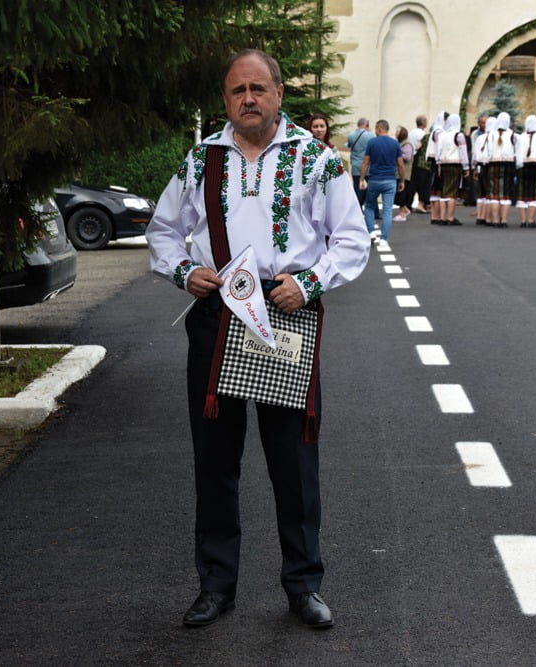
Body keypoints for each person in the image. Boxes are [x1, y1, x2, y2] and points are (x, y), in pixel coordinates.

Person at [145, 48, 370, 630]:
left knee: (292, 461)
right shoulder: (201, 159)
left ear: (278, 94)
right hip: (217, 314)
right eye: (237, 91)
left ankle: (303, 585)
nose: (248, 99)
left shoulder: (316, 160)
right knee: (215, 459)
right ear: (226, 99)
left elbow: (352, 238)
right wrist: (182, 271)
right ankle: (216, 585)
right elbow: (163, 230)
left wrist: (311, 283)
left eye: (258, 89)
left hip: (285, 314)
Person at [359, 119, 405, 241]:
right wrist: (402, 180)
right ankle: (384, 238)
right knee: (387, 210)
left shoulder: (372, 142)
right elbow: (400, 164)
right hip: (390, 180)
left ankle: (371, 232)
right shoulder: (395, 144)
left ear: (379, 129)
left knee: (369, 206)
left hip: (374, 179)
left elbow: (365, 163)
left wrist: (361, 179)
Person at [434, 114, 469, 225]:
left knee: (444, 191)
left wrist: (438, 163)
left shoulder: (441, 135)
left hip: (443, 164)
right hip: (454, 164)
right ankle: (450, 217)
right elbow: (463, 153)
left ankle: (442, 218)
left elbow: (438, 151)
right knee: (452, 192)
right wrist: (466, 167)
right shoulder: (459, 135)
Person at [515, 114, 536, 227]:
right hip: (535, 167)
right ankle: (532, 220)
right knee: (534, 193)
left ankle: (523, 221)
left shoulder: (520, 137)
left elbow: (517, 152)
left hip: (522, 167)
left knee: (522, 194)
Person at [345, 117, 375, 208]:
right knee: (370, 188)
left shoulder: (351, 135)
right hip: (368, 165)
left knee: (357, 187)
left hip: (355, 164)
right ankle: (370, 207)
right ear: (367, 125)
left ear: (358, 124)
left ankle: (358, 208)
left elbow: (348, 145)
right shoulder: (371, 135)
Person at [409, 115, 431, 213]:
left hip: (411, 159)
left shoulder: (411, 133)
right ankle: (421, 204)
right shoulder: (423, 135)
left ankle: (408, 204)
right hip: (421, 160)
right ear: (424, 123)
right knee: (422, 183)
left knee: (412, 183)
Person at [394, 125, 415, 221]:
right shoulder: (399, 143)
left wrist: (396, 155)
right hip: (398, 171)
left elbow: (407, 156)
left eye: (397, 132)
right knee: (398, 193)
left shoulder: (407, 144)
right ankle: (405, 210)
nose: (395, 133)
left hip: (404, 172)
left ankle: (402, 213)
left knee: (402, 193)